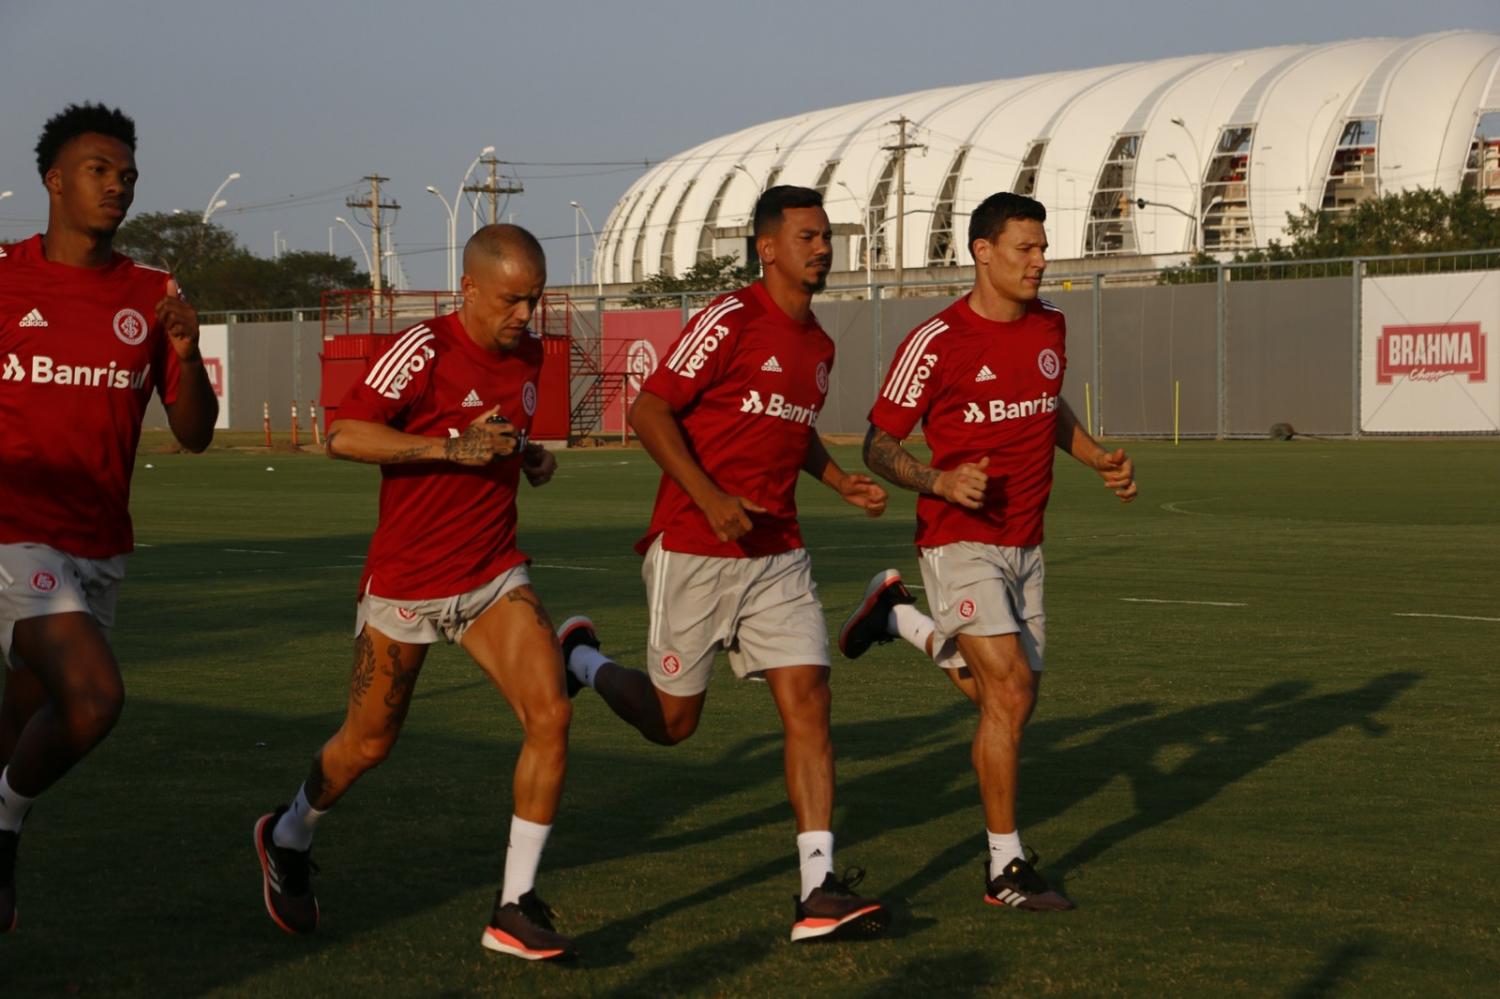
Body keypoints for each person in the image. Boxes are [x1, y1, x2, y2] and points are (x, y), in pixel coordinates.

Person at [556, 186, 892, 943]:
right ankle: (580, 661)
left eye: (827, 236)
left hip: (777, 550)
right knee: (674, 724)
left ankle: (818, 889)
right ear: (766, 247)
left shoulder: (820, 345)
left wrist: (837, 479)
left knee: (809, 699)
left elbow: (790, 426)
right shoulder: (728, 318)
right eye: (807, 236)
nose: (823, 248)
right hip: (697, 545)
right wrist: (707, 497)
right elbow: (649, 409)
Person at [252, 225, 578, 961]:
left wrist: (526, 455)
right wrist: (447, 447)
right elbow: (343, 433)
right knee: (367, 743)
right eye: (511, 300)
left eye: (534, 298)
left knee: (550, 714)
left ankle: (514, 906)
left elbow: (497, 428)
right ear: (467, 288)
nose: (525, 314)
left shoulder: (528, 353)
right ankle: (289, 831)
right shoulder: (423, 347)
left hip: (493, 574)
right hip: (406, 583)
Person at [839, 192, 1136, 912]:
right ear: (982, 252)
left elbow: (1046, 402)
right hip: (956, 539)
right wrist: (938, 479)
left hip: (1026, 542)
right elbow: (879, 441)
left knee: (1009, 699)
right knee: (1007, 693)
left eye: (1042, 248)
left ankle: (899, 619)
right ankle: (1005, 868)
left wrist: (1095, 456)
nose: (1039, 261)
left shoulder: (1049, 327)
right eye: (1024, 249)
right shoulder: (936, 340)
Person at [0, 103, 218, 933]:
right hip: (14, 534)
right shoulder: (5, 282)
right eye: (99, 169)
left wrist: (189, 355)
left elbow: (194, 433)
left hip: (99, 544)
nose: (118, 185)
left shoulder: (152, 295)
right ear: (53, 181)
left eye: (127, 173)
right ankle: (4, 831)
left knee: (24, 715)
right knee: (93, 698)